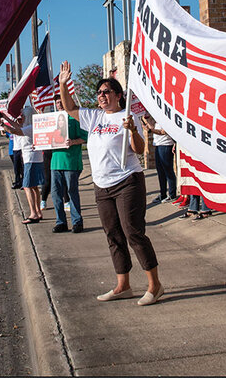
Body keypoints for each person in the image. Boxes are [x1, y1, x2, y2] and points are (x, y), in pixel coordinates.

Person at [58, 61, 164, 306]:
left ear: (118, 96)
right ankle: (123, 285)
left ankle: (154, 285)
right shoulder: (94, 117)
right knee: (113, 235)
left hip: (128, 181)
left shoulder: (128, 117)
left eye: (107, 92)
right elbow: (70, 106)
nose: (102, 96)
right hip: (102, 186)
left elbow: (139, 149)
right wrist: (63, 84)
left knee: (133, 233)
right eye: (99, 93)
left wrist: (134, 131)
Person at [0, 105, 44, 224]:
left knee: (27, 186)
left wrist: (0, 123)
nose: (20, 117)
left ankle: (33, 214)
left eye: (23, 115)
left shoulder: (30, 128)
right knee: (34, 187)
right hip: (34, 159)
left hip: (31, 159)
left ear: (28, 116)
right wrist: (4, 116)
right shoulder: (28, 127)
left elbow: (13, 130)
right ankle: (38, 212)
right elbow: (15, 126)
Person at [50, 99, 87, 233]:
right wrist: (38, 144)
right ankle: (61, 222)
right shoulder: (51, 120)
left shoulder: (74, 118)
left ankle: (77, 222)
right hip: (55, 163)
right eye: (57, 102)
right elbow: (46, 138)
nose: (58, 104)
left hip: (71, 162)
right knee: (56, 194)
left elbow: (85, 137)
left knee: (72, 192)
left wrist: (73, 142)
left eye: (60, 101)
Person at [142, 113, 177, 203]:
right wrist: (145, 119)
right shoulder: (158, 117)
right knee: (160, 172)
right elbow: (152, 126)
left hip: (166, 145)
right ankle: (163, 194)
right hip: (158, 145)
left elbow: (163, 132)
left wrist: (151, 131)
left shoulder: (168, 119)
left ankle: (172, 194)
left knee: (168, 171)